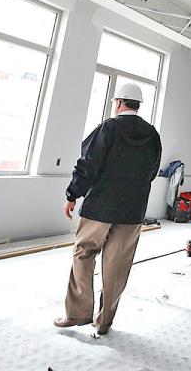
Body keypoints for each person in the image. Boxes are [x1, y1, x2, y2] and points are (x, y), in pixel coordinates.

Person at [54, 82, 162, 336]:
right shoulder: (152, 135)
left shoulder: (108, 128)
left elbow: (88, 164)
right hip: (133, 211)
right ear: (138, 105)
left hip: (100, 207)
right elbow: (152, 171)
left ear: (118, 103)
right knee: (117, 266)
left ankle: (78, 313)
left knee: (84, 253)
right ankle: (104, 323)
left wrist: (73, 194)